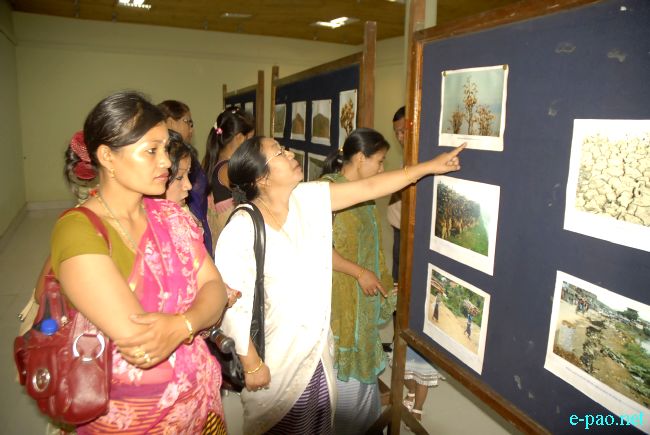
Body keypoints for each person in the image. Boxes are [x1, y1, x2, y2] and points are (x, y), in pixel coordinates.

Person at [214, 135, 465, 434]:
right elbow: (231, 304)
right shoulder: (242, 228)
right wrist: (252, 363)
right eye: (279, 152)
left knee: (320, 423)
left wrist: (428, 167)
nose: (290, 153)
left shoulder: (307, 198)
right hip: (277, 360)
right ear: (262, 178)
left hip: (316, 355)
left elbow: (370, 187)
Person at [51, 91, 228, 433]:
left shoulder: (170, 215)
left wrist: (181, 325)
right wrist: (196, 317)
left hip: (201, 405)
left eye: (165, 149)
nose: (166, 162)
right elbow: (142, 344)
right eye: (151, 151)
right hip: (133, 418)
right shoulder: (78, 230)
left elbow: (215, 287)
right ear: (108, 157)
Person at [319, 128, 396, 434]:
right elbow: (318, 247)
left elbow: (371, 244)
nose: (382, 168)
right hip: (339, 295)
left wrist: (380, 278)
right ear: (361, 158)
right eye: (380, 161)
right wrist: (359, 272)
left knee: (362, 375)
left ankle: (363, 424)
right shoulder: (327, 190)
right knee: (343, 372)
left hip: (359, 293)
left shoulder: (362, 192)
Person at [389, 106, 444, 422]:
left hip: (417, 245)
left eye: (403, 129)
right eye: (396, 131)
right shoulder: (410, 160)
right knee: (400, 306)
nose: (400, 136)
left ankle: (417, 392)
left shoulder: (426, 161)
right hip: (402, 240)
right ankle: (409, 385)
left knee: (416, 311)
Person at [158, 99, 212, 255]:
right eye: (188, 122)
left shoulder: (182, 214)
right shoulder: (156, 223)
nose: (191, 128)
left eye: (187, 174)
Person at [203, 106, 255, 249]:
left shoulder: (213, 161)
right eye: (250, 139)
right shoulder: (228, 169)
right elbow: (251, 196)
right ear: (240, 138)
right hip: (230, 245)